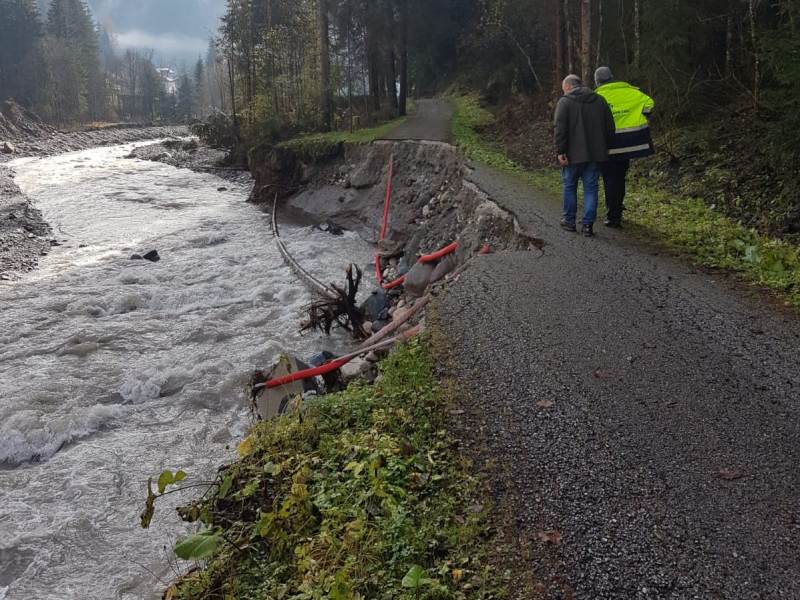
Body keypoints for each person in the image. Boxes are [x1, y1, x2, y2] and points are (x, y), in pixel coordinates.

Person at [554, 74, 616, 237]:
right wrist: (606, 148)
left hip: (572, 155)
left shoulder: (565, 102)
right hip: (595, 155)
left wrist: (560, 151)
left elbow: (560, 129)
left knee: (569, 186)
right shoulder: (600, 100)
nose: (564, 91)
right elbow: (610, 127)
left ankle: (569, 221)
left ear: (568, 86)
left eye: (563, 88)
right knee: (591, 189)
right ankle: (588, 225)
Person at [594, 66, 655, 228]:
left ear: (597, 81)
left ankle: (613, 216)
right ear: (612, 77)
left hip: (608, 146)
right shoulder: (633, 92)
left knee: (610, 179)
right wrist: (640, 116)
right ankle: (617, 209)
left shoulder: (597, 97)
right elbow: (649, 105)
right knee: (620, 178)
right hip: (629, 145)